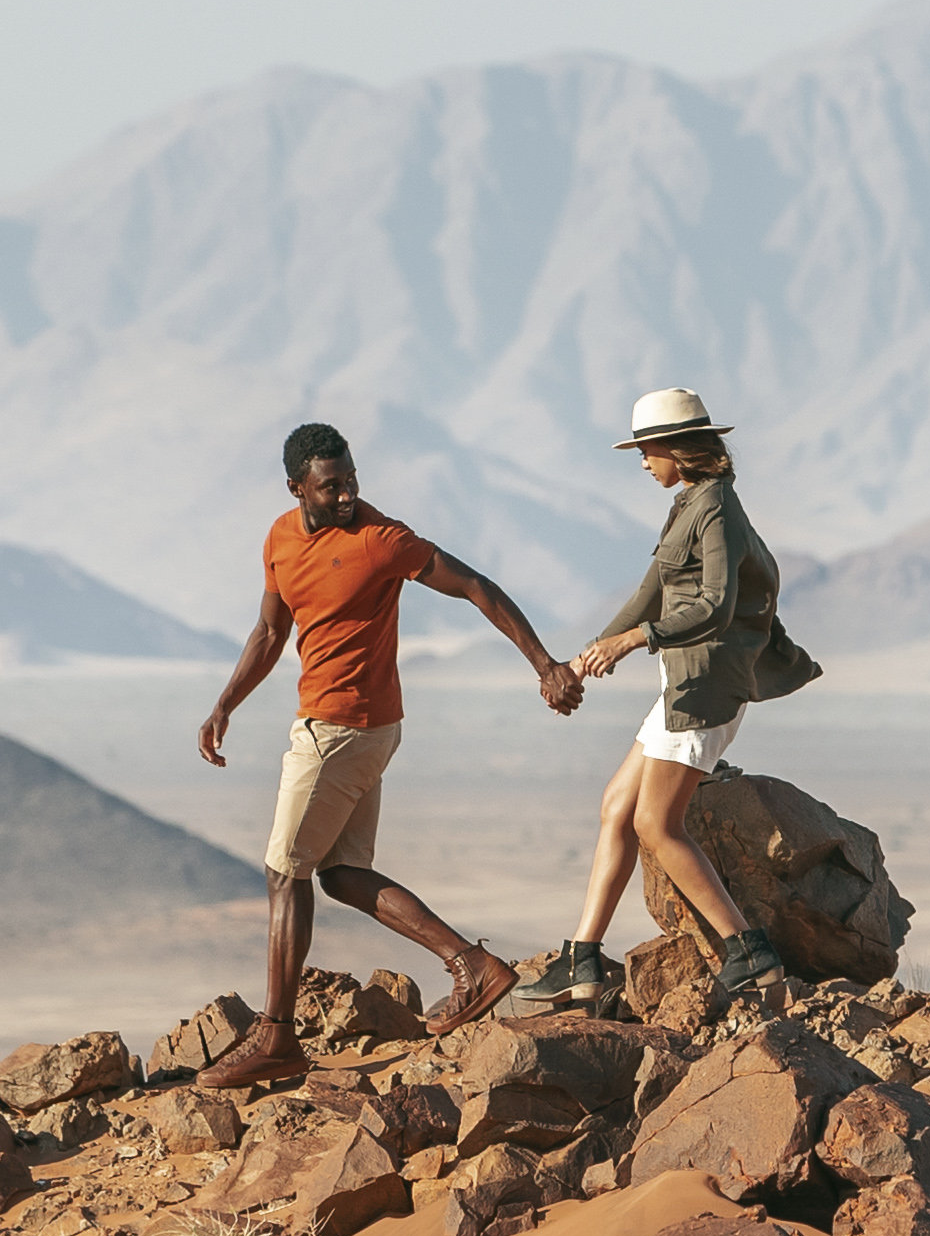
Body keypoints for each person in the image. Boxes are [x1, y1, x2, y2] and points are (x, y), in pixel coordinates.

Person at [193, 418, 584, 1084]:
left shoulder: (381, 539)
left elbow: (476, 586)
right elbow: (269, 630)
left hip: (343, 729)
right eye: (331, 487)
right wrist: (226, 703)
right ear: (298, 489)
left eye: (351, 481)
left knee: (285, 874)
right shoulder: (281, 540)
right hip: (346, 728)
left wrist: (544, 663)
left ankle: (277, 1037)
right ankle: (474, 965)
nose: (346, 496)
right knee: (341, 873)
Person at [507, 385, 818, 1010]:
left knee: (655, 822)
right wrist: (581, 657)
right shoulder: (687, 506)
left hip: (707, 686)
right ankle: (584, 959)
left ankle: (748, 952)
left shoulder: (719, 510)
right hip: (681, 682)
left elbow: (716, 606)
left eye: (648, 449)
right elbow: (651, 591)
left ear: (678, 447)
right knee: (616, 806)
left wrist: (633, 642)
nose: (644, 462)